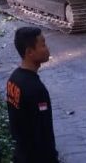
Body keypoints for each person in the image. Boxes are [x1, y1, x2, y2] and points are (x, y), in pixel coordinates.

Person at [6, 27, 58, 163]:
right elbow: (43, 131)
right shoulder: (36, 90)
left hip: (21, 153)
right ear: (29, 52)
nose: (47, 48)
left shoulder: (14, 79)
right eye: (43, 44)